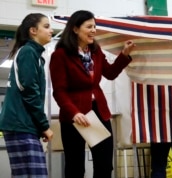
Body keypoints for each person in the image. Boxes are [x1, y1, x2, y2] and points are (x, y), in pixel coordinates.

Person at [49, 10, 135, 178]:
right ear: (75, 29)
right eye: (89, 26)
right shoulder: (60, 55)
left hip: (98, 112)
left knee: (104, 165)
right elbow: (59, 92)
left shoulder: (95, 51)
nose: (94, 30)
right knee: (75, 167)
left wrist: (124, 55)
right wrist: (74, 113)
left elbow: (110, 73)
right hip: (75, 116)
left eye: (95, 26)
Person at [0, 13, 54, 178]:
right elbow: (29, 91)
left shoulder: (34, 54)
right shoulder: (28, 52)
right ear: (33, 30)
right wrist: (44, 125)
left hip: (22, 125)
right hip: (20, 125)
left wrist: (39, 127)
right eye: (46, 26)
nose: (51, 30)